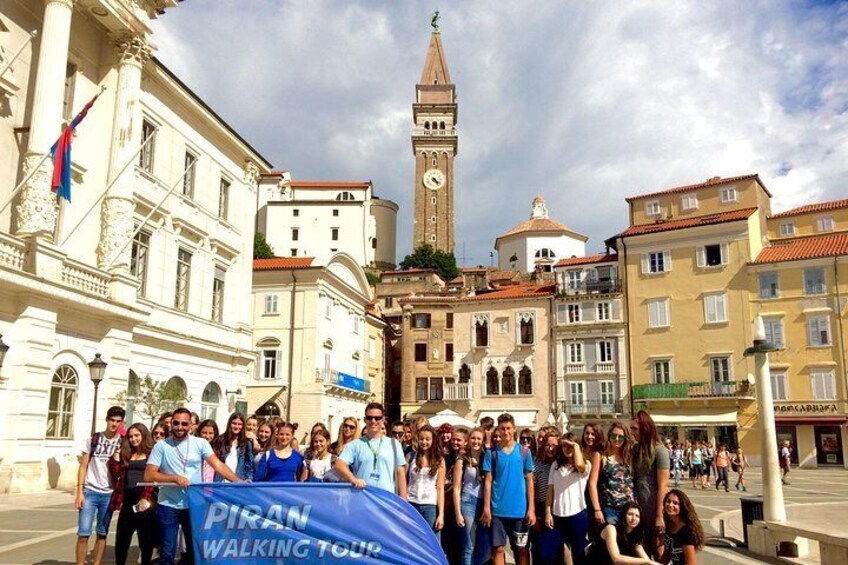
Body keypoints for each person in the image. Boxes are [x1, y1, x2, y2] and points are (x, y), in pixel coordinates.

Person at [144, 407, 242, 565]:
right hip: (168, 505)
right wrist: (174, 478)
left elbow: (218, 465)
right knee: (167, 553)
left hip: (194, 504)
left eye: (184, 423)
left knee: (194, 551)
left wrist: (239, 481)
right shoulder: (161, 446)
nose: (180, 427)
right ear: (171, 424)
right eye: (176, 423)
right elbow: (149, 475)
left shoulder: (200, 443)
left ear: (191, 425)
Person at [481, 413, 535, 565]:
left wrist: (531, 509)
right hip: (498, 510)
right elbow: (488, 482)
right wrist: (486, 508)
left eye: (508, 428)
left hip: (520, 510)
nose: (506, 432)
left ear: (514, 429)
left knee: (521, 549)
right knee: (498, 549)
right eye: (502, 429)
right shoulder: (492, 454)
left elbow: (530, 481)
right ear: (498, 430)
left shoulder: (524, 452)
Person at [75, 406, 125, 565]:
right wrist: (79, 492)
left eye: (118, 421)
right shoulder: (94, 439)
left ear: (122, 423)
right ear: (107, 420)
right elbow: (83, 465)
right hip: (90, 490)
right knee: (83, 534)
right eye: (112, 420)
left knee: (102, 533)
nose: (114, 424)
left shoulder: (122, 442)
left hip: (109, 493)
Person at [335, 402, 408, 497]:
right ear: (365, 420)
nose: (373, 421)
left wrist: (403, 501)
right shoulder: (355, 444)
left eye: (377, 418)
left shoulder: (394, 444)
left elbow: (400, 473)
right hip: (362, 498)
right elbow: (339, 464)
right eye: (370, 418)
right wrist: (353, 479)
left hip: (387, 499)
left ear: (383, 420)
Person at [109, 423, 157, 565]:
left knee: (145, 541)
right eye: (130, 436)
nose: (133, 439)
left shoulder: (152, 453)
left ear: (143, 435)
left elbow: (153, 477)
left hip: (145, 499)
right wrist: (116, 457)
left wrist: (145, 498)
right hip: (128, 499)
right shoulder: (127, 453)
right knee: (122, 540)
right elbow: (116, 474)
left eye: (136, 435)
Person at [545, 433, 589, 565]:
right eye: (564, 446)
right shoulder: (555, 465)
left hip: (578, 514)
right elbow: (550, 490)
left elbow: (580, 465)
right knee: (556, 552)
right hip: (558, 515)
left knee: (579, 552)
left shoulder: (585, 465)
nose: (567, 449)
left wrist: (575, 446)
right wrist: (548, 512)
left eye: (570, 446)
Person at [631, 411, 670, 555]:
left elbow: (663, 486)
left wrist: (659, 515)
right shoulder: (635, 449)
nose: (632, 432)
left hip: (654, 508)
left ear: (645, 428)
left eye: (634, 429)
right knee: (642, 552)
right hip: (639, 509)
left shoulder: (661, 451)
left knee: (659, 552)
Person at [454, 427, 489, 565]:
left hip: (485, 503)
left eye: (479, 438)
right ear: (469, 440)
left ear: (483, 441)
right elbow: (456, 488)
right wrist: (458, 513)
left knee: (485, 547)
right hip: (468, 502)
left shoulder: (487, 457)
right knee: (469, 546)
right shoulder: (462, 459)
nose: (476, 441)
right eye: (473, 438)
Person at [589, 422, 634, 527]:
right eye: (614, 435)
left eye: (621, 437)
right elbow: (592, 484)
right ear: (609, 436)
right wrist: (597, 509)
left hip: (629, 509)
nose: (617, 439)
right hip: (610, 509)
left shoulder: (628, 457)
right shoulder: (601, 456)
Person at [588, 502, 661, 565]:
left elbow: (647, 560)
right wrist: (646, 561)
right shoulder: (611, 529)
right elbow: (616, 559)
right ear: (624, 515)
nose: (634, 518)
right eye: (630, 514)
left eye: (637, 516)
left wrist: (651, 562)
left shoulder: (635, 536)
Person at [407, 425, 446, 538]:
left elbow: (440, 488)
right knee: (412, 538)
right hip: (412, 503)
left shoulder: (440, 460)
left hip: (430, 505)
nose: (424, 442)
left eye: (427, 439)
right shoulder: (411, 456)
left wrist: (441, 514)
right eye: (421, 439)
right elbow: (403, 480)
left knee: (432, 540)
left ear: (433, 440)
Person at [531, 430, 561, 565]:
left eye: (554, 445)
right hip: (541, 508)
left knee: (556, 551)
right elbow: (531, 490)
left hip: (559, 509)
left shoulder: (563, 465)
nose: (550, 448)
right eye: (548, 445)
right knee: (540, 550)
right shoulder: (537, 465)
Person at [658, 489, 704, 565]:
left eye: (675, 503)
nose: (670, 505)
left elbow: (691, 563)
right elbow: (667, 554)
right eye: (668, 501)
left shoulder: (686, 532)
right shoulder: (669, 525)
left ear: (682, 506)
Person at [213, 412, 254, 482]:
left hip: (239, 481)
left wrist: (249, 478)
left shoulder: (246, 443)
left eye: (240, 424)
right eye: (234, 423)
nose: (237, 426)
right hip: (221, 481)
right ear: (229, 424)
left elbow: (249, 464)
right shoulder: (220, 440)